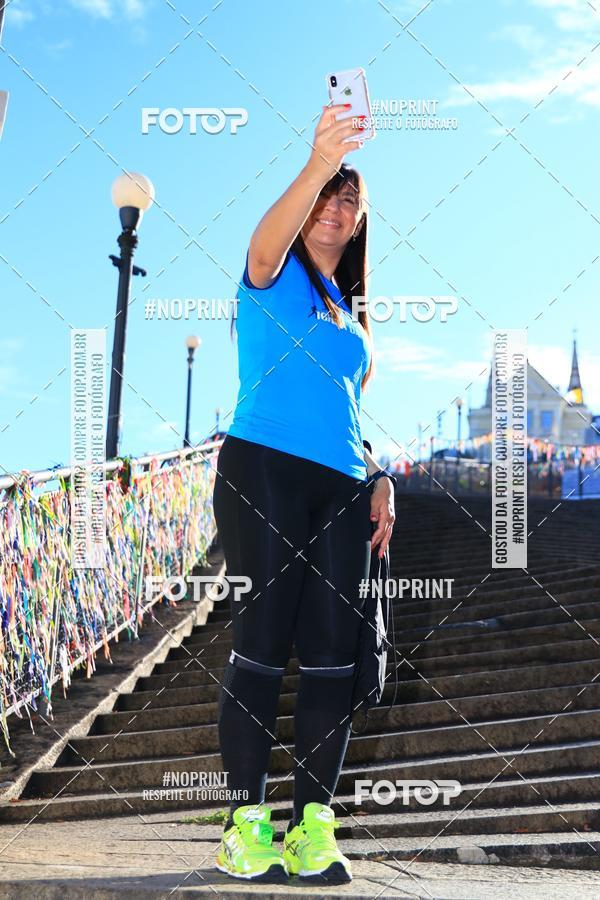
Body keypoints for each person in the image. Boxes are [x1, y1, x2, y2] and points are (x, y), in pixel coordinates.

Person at [212, 102, 396, 884]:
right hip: (263, 468)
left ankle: (311, 827)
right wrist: (321, 161)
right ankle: (244, 823)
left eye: (349, 202)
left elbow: (346, 413)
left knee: (329, 657)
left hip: (343, 487)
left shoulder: (352, 319)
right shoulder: (272, 271)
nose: (335, 209)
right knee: (264, 641)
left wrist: (380, 473)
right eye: (329, 196)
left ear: (358, 226)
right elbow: (262, 238)